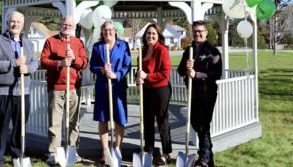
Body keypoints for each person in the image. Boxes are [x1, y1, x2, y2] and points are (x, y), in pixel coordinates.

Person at [0, 11, 39, 167]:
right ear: (7, 23)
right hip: (3, 91)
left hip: (23, 91)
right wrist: (13, 63)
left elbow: (35, 62)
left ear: (22, 25)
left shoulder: (28, 43)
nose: (15, 24)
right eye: (12, 21)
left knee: (20, 125)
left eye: (18, 22)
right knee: (0, 127)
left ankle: (17, 155)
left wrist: (27, 68)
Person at [41, 15, 88, 164]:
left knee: (73, 122)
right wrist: (59, 63)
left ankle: (72, 150)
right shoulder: (50, 41)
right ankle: (53, 152)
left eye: (69, 25)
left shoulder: (78, 43)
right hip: (56, 88)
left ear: (73, 27)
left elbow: (84, 63)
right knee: (54, 122)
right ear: (60, 24)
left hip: (73, 87)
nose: (66, 26)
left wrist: (74, 58)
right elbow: (43, 61)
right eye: (64, 24)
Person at [177, 20, 222, 167]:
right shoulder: (188, 51)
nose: (198, 33)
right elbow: (180, 71)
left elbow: (216, 74)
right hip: (193, 93)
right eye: (195, 31)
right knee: (197, 125)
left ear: (206, 32)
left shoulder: (213, 52)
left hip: (207, 93)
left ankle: (204, 158)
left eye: (200, 31)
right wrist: (186, 66)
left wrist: (196, 74)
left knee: (203, 125)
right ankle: (208, 159)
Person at [89, 20, 131, 164]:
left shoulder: (123, 45)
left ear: (115, 31)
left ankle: (117, 149)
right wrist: (101, 69)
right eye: (105, 30)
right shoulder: (97, 46)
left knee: (119, 119)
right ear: (102, 31)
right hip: (102, 88)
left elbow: (127, 65)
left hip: (118, 88)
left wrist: (116, 74)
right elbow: (92, 66)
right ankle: (105, 151)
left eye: (111, 30)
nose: (108, 32)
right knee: (103, 119)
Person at [136, 23, 172, 167]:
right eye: (148, 33)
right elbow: (139, 72)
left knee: (162, 121)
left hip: (161, 90)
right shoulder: (143, 51)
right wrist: (137, 78)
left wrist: (147, 76)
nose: (150, 36)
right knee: (147, 121)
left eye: (153, 34)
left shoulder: (162, 50)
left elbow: (165, 73)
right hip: (146, 90)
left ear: (158, 36)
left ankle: (166, 153)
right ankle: (149, 150)